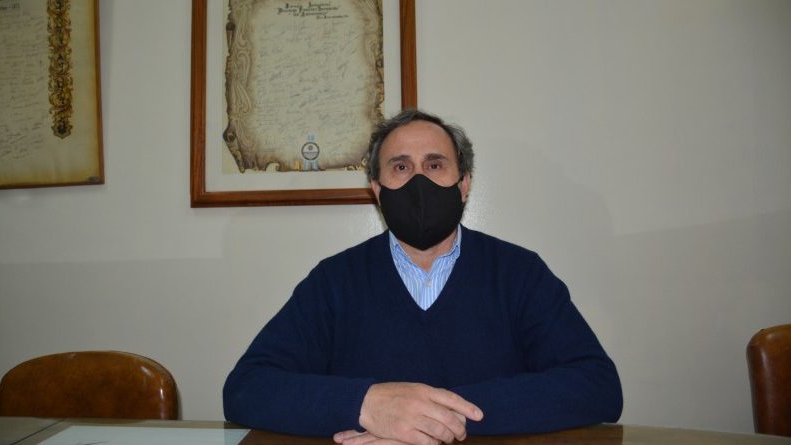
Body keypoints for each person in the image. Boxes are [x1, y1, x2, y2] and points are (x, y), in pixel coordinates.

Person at [223, 109, 623, 445]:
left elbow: (597, 385)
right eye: (401, 167)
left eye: (435, 165)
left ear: (464, 184)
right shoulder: (334, 282)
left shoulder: (519, 273)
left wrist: (428, 418)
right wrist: (367, 405)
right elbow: (247, 388)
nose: (419, 182)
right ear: (377, 190)